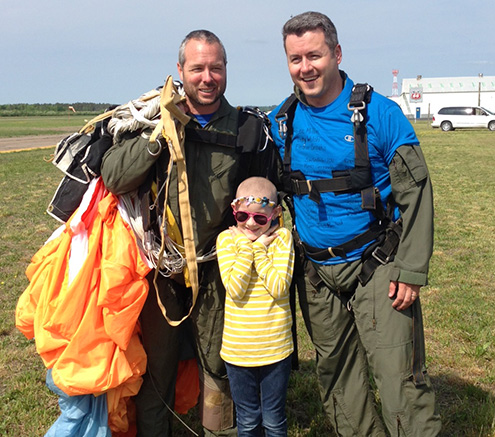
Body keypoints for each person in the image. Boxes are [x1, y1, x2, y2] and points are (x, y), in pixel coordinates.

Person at [268, 11, 442, 437]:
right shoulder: (281, 121)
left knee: (398, 378)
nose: (305, 67)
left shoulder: (381, 115)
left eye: (314, 55)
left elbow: (417, 193)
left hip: (376, 266)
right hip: (316, 273)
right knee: (337, 380)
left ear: (337, 53)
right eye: (295, 58)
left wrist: (411, 269)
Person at [101, 30, 276, 437]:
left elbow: (268, 201)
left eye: (216, 67)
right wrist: (160, 133)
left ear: (226, 70)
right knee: (157, 369)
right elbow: (115, 177)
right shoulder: (152, 122)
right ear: (180, 71)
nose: (207, 77)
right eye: (197, 68)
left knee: (220, 364)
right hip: (162, 272)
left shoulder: (247, 130)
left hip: (219, 271)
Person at [216, 177, 294, 437]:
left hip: (276, 348)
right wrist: (249, 247)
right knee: (247, 421)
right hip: (238, 352)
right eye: (242, 216)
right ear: (234, 210)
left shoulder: (282, 239)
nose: (250, 223)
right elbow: (235, 289)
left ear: (275, 213)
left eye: (260, 219)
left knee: (273, 420)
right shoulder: (227, 241)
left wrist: (258, 249)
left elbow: (279, 287)